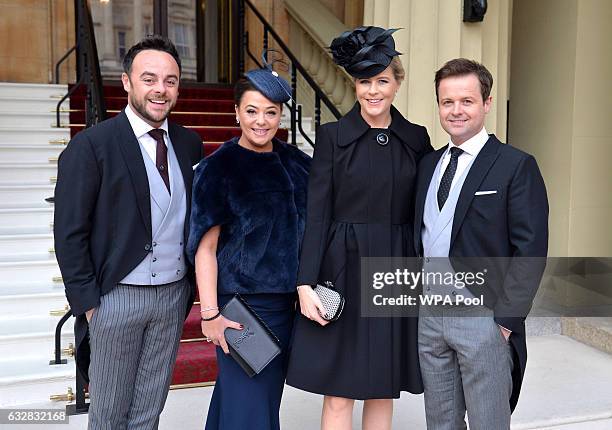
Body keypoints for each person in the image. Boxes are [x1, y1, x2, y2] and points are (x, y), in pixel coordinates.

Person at [54, 35, 204, 429]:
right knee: (108, 415)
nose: (160, 89)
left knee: (148, 412)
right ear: (127, 82)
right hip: (115, 298)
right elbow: (70, 233)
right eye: (149, 78)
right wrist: (89, 303)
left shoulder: (189, 143)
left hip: (172, 296)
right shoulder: (92, 146)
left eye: (170, 81)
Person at [286, 26, 432, 430]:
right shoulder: (332, 138)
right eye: (365, 81)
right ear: (354, 84)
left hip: (396, 266)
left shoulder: (417, 140)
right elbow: (317, 215)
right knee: (340, 389)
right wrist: (305, 283)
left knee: (382, 388)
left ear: (397, 83)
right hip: (341, 268)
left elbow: (429, 212)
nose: (373, 91)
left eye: (382, 80)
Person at [414, 58, 549, 429]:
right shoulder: (428, 165)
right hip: (429, 314)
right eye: (447, 102)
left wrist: (504, 322)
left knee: (489, 422)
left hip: (483, 315)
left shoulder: (515, 165)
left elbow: (531, 248)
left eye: (467, 101)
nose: (456, 110)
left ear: (486, 104)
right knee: (440, 422)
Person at [186, 62, 310, 430]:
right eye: (252, 110)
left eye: (271, 112)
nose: (261, 120)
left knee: (253, 403)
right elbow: (204, 249)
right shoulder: (218, 168)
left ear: (280, 115)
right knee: (252, 413)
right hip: (241, 310)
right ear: (236, 111)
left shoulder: (299, 164)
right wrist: (209, 314)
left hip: (288, 307)